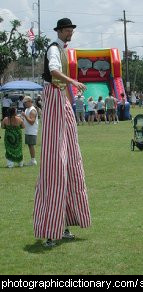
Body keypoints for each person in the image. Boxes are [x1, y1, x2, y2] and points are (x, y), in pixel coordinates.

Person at [35, 18, 91, 247]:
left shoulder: (64, 50)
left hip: (62, 101)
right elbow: (54, 72)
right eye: (68, 30)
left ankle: (65, 224)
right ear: (60, 31)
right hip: (55, 100)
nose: (71, 33)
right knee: (55, 166)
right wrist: (73, 82)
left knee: (70, 163)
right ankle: (51, 229)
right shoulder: (53, 49)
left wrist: (69, 97)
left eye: (71, 30)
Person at [21, 96, 39, 166]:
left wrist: (25, 116)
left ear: (29, 101)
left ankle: (33, 160)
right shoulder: (27, 109)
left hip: (32, 130)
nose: (24, 104)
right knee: (29, 145)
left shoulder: (32, 110)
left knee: (31, 145)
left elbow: (32, 121)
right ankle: (32, 159)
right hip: (28, 130)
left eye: (25, 102)